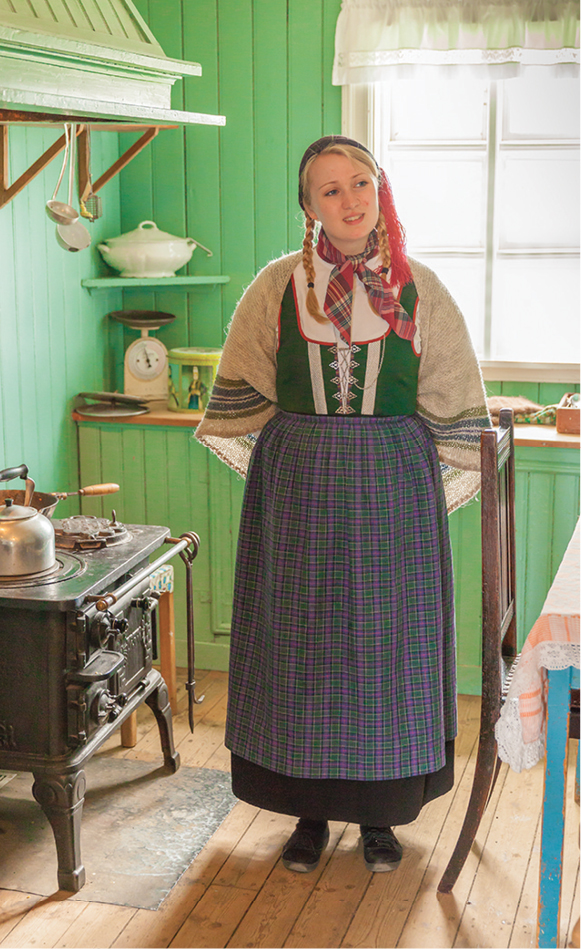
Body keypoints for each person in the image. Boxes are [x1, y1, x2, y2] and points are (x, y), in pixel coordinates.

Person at [195, 135, 489, 874]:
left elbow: (453, 395)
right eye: (329, 189)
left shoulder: (417, 288)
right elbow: (243, 387)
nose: (349, 199)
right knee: (302, 646)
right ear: (307, 207)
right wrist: (290, 460)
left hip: (392, 484)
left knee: (387, 649)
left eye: (359, 182)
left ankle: (381, 815)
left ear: (378, 188)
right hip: (298, 488)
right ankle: (309, 812)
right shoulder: (275, 288)